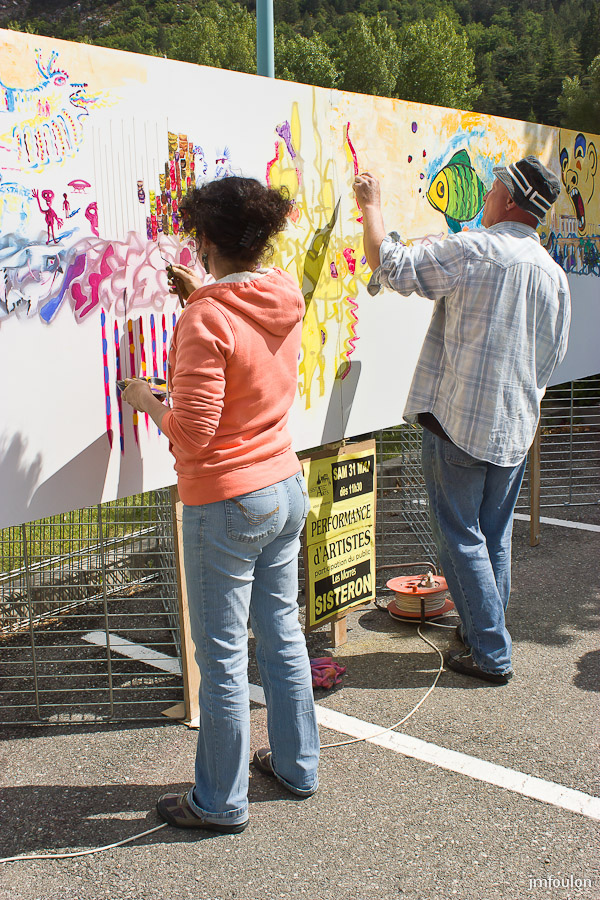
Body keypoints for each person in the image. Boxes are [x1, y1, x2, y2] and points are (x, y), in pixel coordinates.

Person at [122, 176, 319, 833]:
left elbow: (192, 434)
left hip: (228, 502)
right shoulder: (283, 291)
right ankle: (297, 766)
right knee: (282, 634)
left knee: (224, 659)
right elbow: (242, 345)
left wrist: (145, 399)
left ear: (206, 240)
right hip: (283, 486)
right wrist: (200, 297)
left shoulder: (204, 319)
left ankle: (219, 802)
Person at [354, 156, 571, 685]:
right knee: (492, 537)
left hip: (459, 425)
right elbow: (552, 358)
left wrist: (371, 205)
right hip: (514, 428)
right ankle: (480, 635)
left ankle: (491, 653)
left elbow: (390, 264)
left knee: (461, 538)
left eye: (494, 188)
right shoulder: (553, 274)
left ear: (511, 200)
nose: (486, 196)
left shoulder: (476, 249)